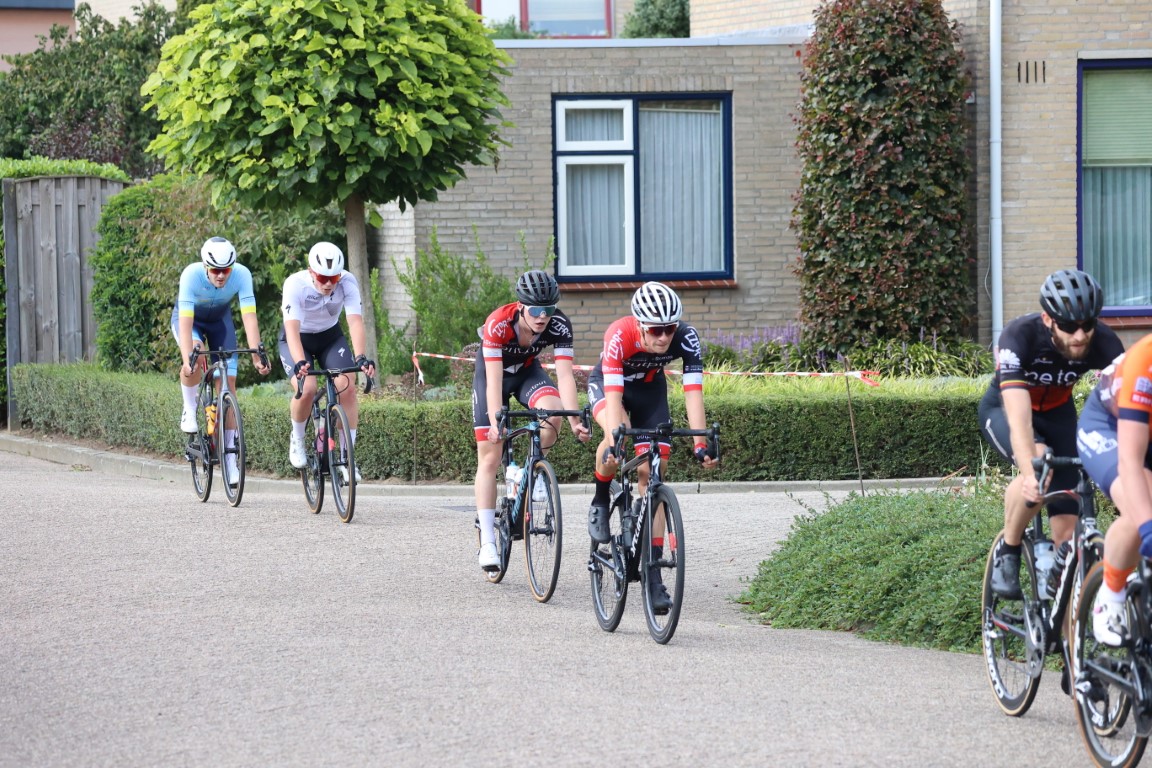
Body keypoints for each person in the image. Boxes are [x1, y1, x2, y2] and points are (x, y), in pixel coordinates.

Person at [979, 269, 1122, 599]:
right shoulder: (1020, 336)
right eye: (1069, 327)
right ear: (1048, 319)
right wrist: (1030, 472)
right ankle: (1009, 550)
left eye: (1088, 324)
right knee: (1040, 464)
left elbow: (1129, 404)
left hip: (1059, 414)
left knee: (1067, 536)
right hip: (1006, 409)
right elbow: (1019, 417)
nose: (1080, 335)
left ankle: (1061, 619)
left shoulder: (1104, 342)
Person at [586, 281, 719, 612]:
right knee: (615, 441)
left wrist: (700, 443)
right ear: (640, 325)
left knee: (654, 474)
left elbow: (693, 392)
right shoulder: (619, 334)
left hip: (649, 391)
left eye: (669, 329)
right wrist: (617, 440)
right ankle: (600, 499)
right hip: (610, 386)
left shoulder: (686, 337)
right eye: (656, 330)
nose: (664, 337)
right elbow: (614, 397)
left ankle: (654, 575)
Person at [473, 270, 590, 570]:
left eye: (548, 309)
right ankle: (488, 542)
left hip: (527, 373)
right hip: (493, 377)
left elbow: (565, 375)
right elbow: (493, 379)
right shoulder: (498, 323)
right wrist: (495, 422)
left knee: (553, 412)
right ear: (520, 306)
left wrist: (574, 419)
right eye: (536, 310)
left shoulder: (559, 325)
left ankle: (532, 471)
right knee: (490, 455)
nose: (542, 317)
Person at [172, 236, 272, 487]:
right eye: (215, 270)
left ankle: (229, 459)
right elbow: (185, 323)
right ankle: (189, 407)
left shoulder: (242, 275)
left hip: (220, 324)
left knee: (228, 384)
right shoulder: (190, 275)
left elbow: (249, 316)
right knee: (194, 357)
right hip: (191, 322)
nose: (221, 276)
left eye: (226, 270)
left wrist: (257, 354)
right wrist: (187, 359)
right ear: (205, 266)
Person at [1077, 333, 1152, 645]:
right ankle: (1111, 595)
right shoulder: (1145, 360)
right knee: (1141, 507)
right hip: (1109, 425)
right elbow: (1131, 462)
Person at [279, 242, 376, 481]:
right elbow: (291, 329)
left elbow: (355, 321)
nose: (329, 284)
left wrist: (360, 357)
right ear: (311, 272)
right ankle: (297, 438)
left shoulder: (348, 282)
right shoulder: (295, 284)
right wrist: (300, 362)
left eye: (334, 278)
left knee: (347, 387)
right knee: (307, 388)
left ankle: (347, 457)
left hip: (329, 337)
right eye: (323, 278)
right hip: (298, 339)